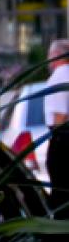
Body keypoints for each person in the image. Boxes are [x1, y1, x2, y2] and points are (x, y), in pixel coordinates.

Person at [44, 40, 69, 212]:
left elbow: (60, 115)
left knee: (61, 193)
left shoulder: (58, 78)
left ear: (55, 56)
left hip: (62, 140)